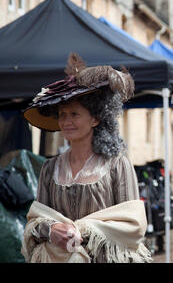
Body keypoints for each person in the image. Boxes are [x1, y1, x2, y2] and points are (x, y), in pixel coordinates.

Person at [21, 53, 152, 263]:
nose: (66, 121)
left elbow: (133, 224)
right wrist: (52, 229)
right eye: (62, 114)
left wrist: (81, 230)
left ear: (95, 118)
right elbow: (35, 221)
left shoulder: (117, 165)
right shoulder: (50, 167)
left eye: (74, 114)